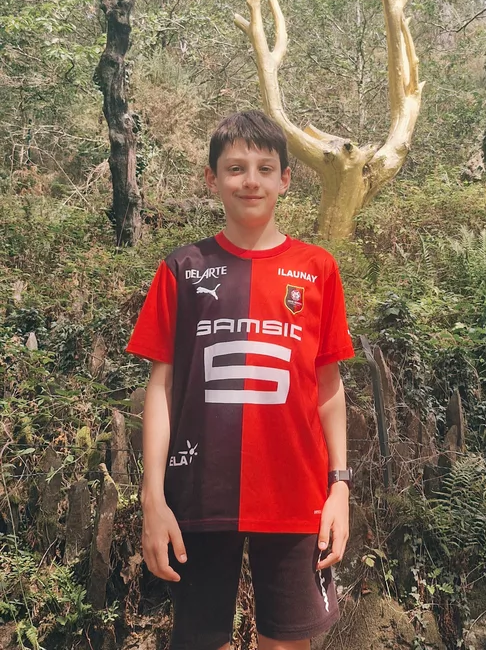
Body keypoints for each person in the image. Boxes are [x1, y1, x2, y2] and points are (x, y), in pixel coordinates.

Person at [126, 110, 355, 650]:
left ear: (284, 179)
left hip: (297, 495)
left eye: (264, 167)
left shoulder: (318, 268)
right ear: (211, 178)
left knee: (289, 642)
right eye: (235, 168)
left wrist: (339, 486)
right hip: (199, 493)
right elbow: (159, 389)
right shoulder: (182, 268)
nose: (250, 180)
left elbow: (329, 387)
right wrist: (152, 497)